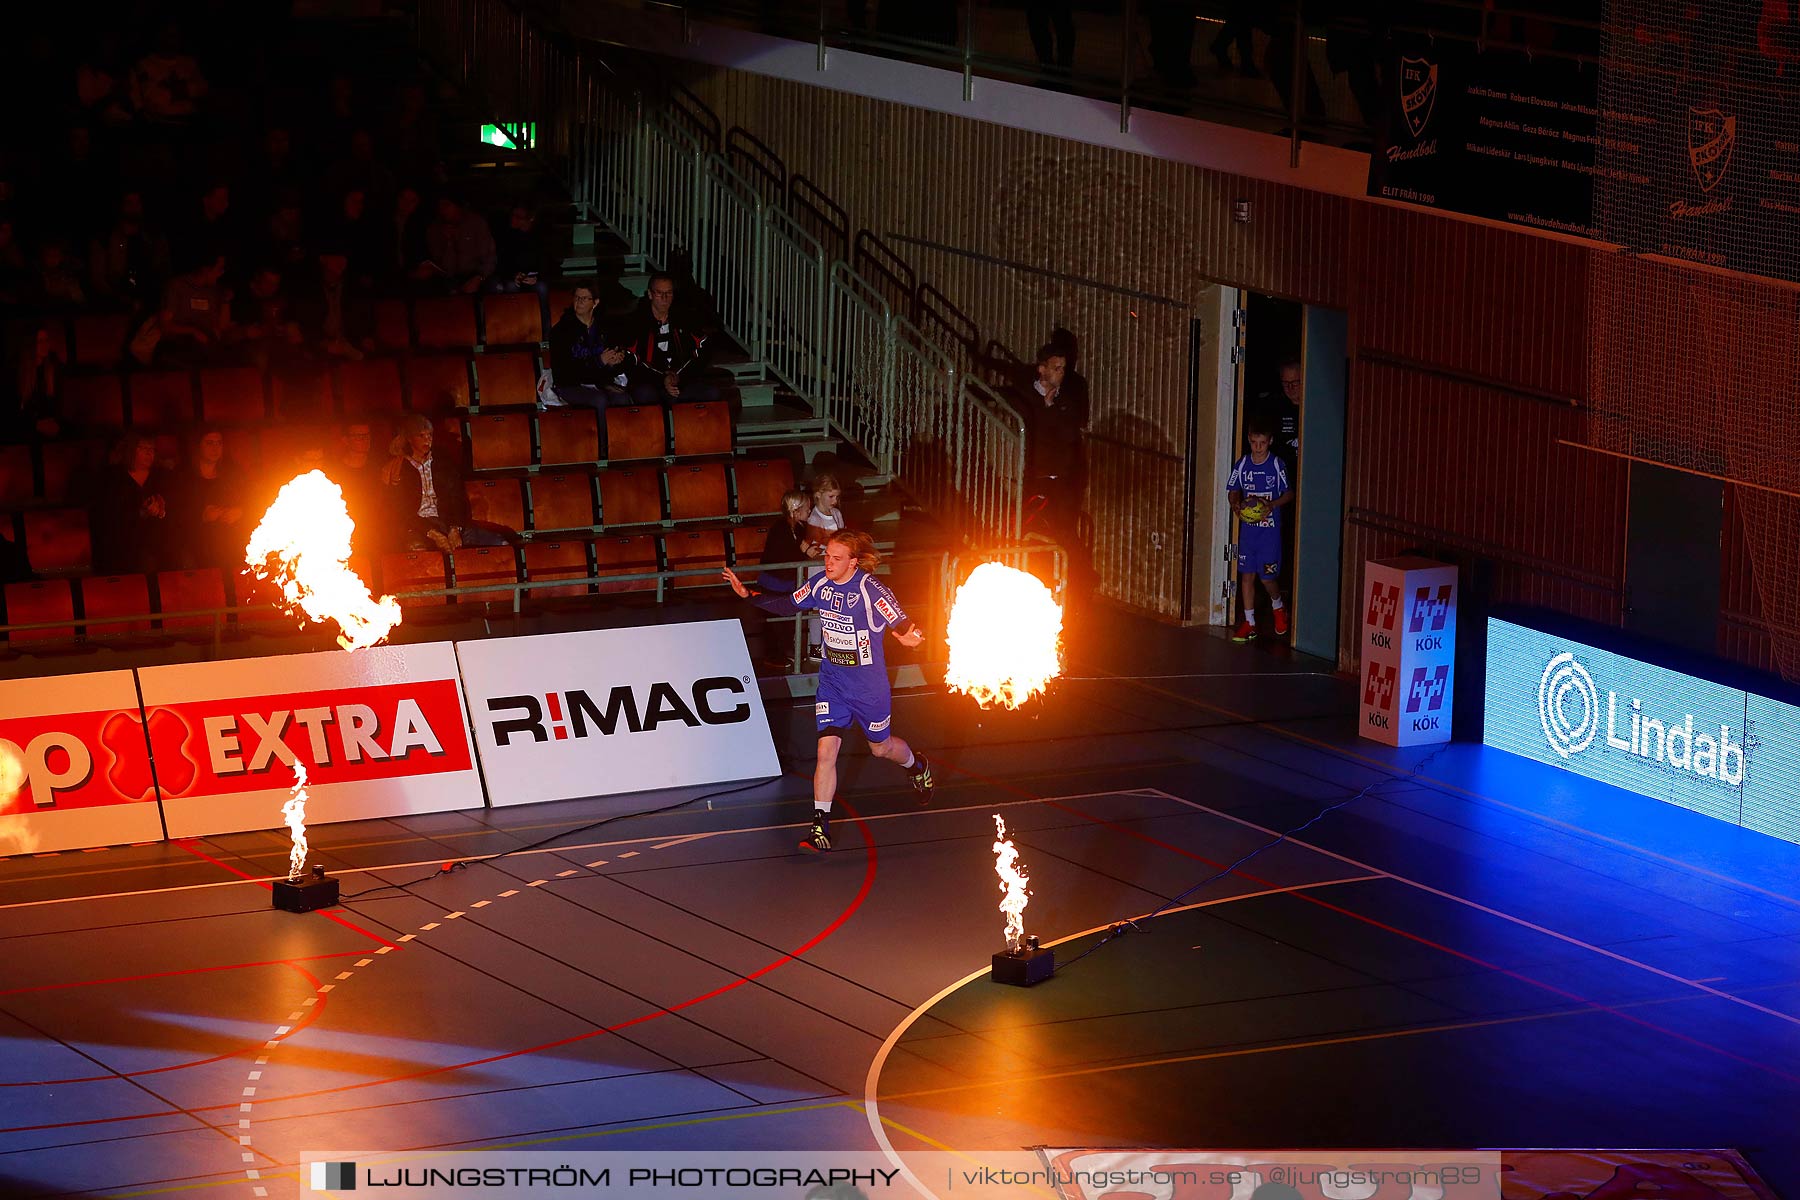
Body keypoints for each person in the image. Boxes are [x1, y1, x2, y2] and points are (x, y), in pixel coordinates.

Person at [722, 530, 934, 853]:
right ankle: (820, 827)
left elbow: (902, 624)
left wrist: (911, 635)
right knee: (825, 752)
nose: (828, 563)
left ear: (854, 562)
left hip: (869, 691)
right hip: (833, 685)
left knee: (881, 749)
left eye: (836, 558)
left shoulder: (870, 590)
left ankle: (917, 766)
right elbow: (788, 604)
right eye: (826, 556)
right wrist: (749, 595)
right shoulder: (821, 584)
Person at [382, 412, 508, 551]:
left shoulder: (443, 463)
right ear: (411, 439)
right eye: (421, 436)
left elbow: (457, 497)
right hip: (420, 526)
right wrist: (432, 533)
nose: (427, 440)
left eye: (430, 435)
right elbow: (402, 511)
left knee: (499, 542)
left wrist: (455, 528)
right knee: (418, 547)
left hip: (447, 521)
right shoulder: (401, 469)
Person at [1227, 421, 1291, 642]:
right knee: (1247, 576)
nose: (1258, 447)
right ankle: (1250, 623)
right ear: (1249, 440)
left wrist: (1271, 505)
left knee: (1267, 577)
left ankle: (1278, 605)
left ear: (1270, 442)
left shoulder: (1276, 465)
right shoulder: (1243, 464)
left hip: (1269, 533)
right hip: (1248, 532)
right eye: (1254, 443)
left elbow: (1289, 493)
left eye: (1262, 443)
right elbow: (1233, 490)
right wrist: (1236, 505)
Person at [617, 274, 717, 404]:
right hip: (649, 382)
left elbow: (703, 350)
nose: (664, 298)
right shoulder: (636, 322)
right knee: (645, 395)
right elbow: (632, 361)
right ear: (650, 294)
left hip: (680, 379)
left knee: (711, 394)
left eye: (668, 293)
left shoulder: (684, 319)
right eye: (659, 293)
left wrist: (678, 377)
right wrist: (662, 379)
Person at [91, 433, 172, 575]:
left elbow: (174, 507)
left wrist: (161, 511)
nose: (149, 453)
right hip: (123, 540)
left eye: (152, 449)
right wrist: (140, 512)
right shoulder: (114, 478)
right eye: (143, 448)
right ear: (131, 450)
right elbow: (109, 514)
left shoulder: (161, 476)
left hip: (156, 539)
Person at [168, 428, 246, 568]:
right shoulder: (182, 475)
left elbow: (251, 500)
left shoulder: (233, 472)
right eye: (209, 443)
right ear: (198, 445)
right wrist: (201, 515)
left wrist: (239, 512)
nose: (215, 448)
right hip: (195, 539)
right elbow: (174, 511)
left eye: (219, 443)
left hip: (228, 537)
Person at [545, 282, 628, 410]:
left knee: (621, 398)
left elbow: (612, 359)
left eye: (584, 298)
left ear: (595, 302)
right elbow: (564, 372)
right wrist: (599, 361)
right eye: (577, 297)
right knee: (599, 400)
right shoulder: (561, 331)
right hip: (570, 385)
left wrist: (614, 362)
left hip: (599, 382)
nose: (579, 301)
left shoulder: (604, 327)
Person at [805, 472, 846, 545]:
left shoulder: (836, 513)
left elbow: (842, 534)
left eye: (837, 497)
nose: (835, 501)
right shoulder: (814, 519)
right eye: (831, 496)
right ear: (818, 495)